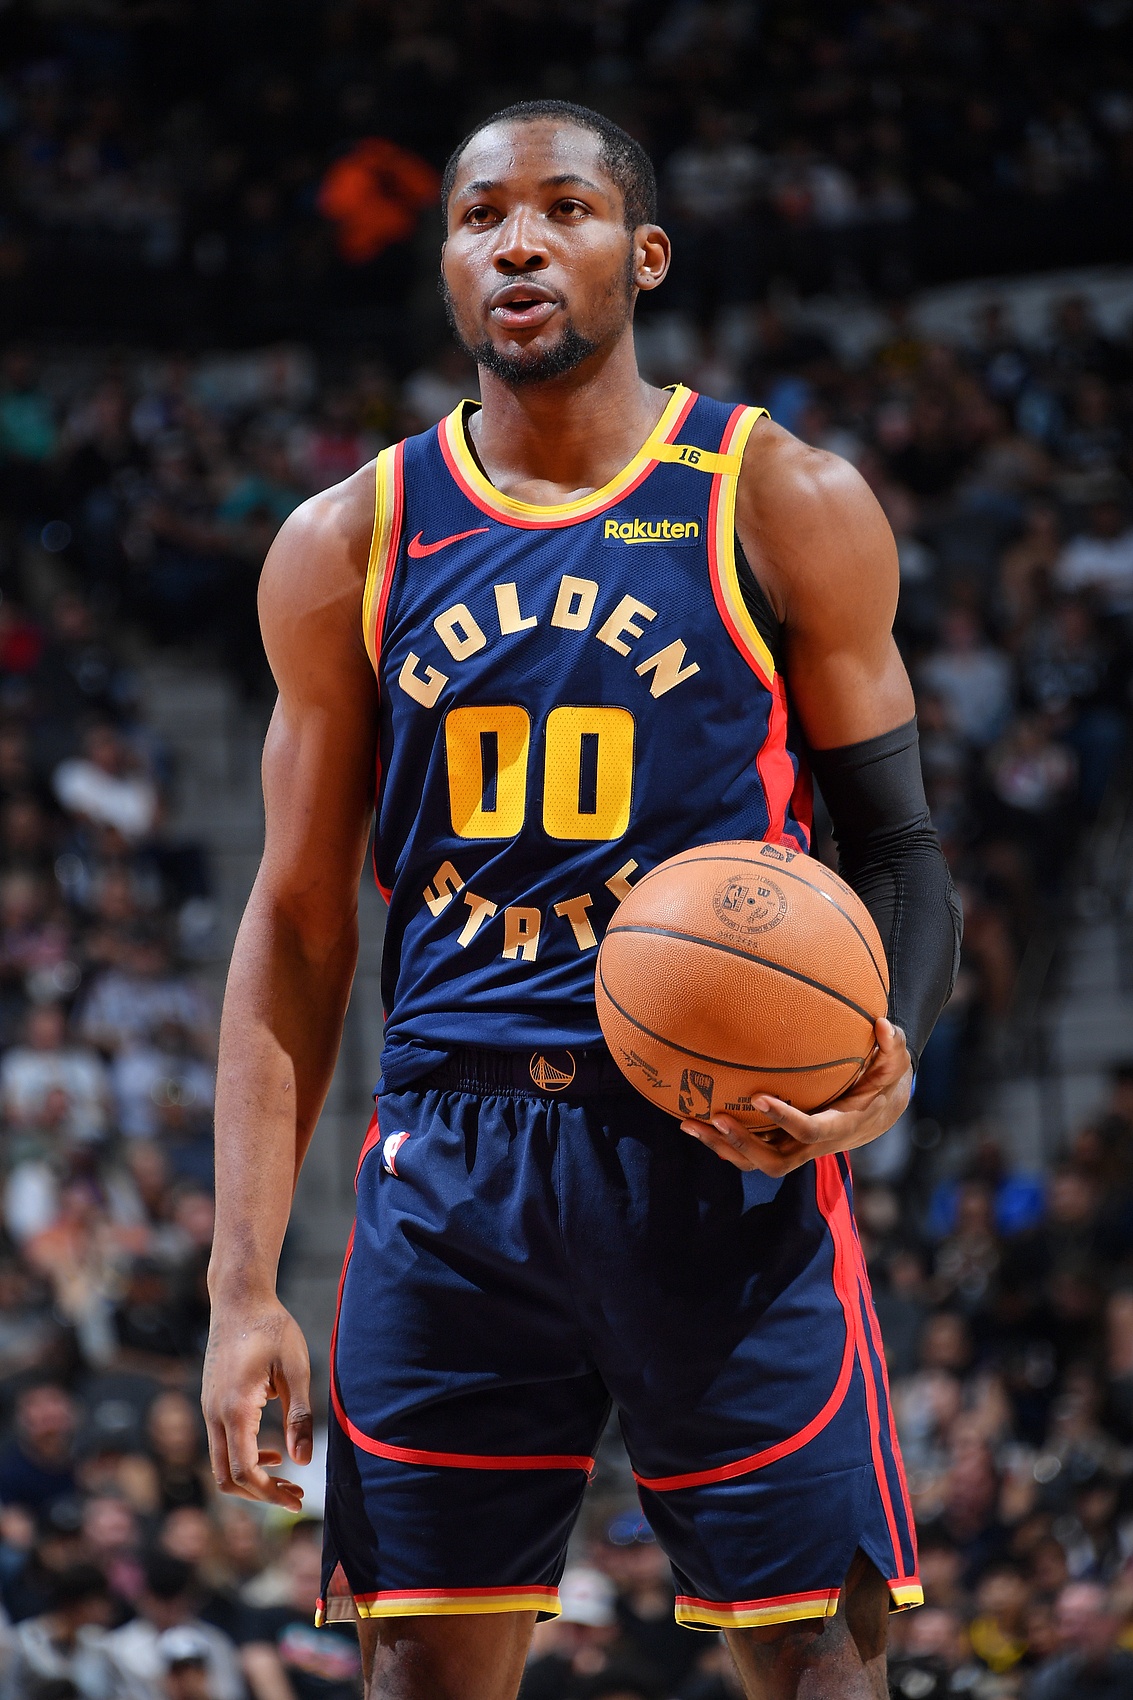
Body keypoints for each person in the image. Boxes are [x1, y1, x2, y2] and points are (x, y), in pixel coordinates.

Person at [202, 100, 961, 1700]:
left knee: (824, 1667)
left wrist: (880, 1045)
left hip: (714, 1147)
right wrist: (240, 1284)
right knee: (420, 1675)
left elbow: (896, 851)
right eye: (481, 217)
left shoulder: (777, 497)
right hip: (452, 1164)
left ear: (646, 254)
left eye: (564, 208)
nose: (519, 243)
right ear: (446, 265)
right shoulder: (347, 541)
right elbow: (296, 924)